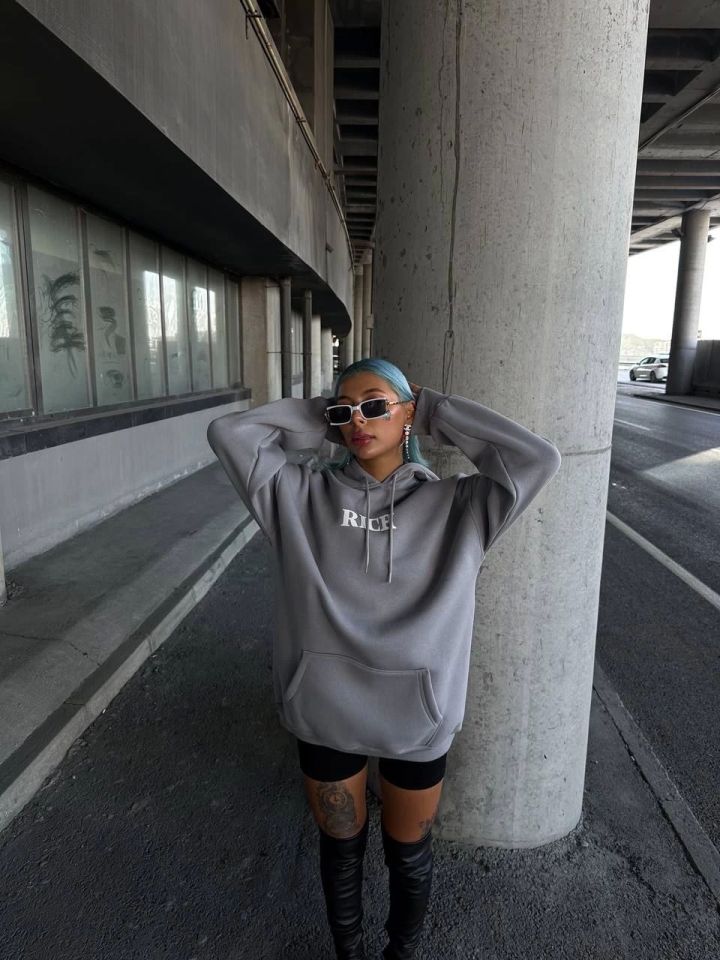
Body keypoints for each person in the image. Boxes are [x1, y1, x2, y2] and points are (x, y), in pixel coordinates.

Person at [206, 356, 561, 959]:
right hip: (325, 709)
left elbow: (537, 458)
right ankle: (348, 951)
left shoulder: (460, 506)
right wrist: (325, 416)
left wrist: (434, 409)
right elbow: (229, 433)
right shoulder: (296, 496)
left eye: (375, 406)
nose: (359, 421)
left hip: (418, 717)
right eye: (345, 411)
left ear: (408, 415)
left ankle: (401, 952)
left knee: (409, 851)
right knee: (340, 847)